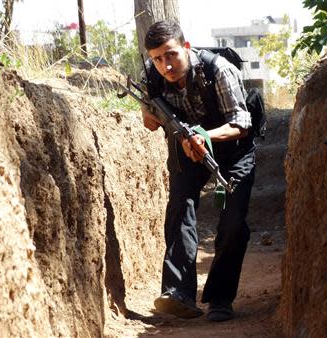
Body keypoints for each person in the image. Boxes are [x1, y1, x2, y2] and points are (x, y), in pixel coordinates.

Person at [141, 20, 255, 322]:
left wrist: (203, 136)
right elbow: (150, 121)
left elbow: (242, 124)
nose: (165, 65)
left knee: (232, 223)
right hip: (185, 147)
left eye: (171, 55)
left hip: (233, 149)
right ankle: (179, 293)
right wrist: (153, 115)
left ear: (186, 47)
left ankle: (220, 298)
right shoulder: (152, 76)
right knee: (180, 208)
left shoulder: (219, 70)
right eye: (157, 58)